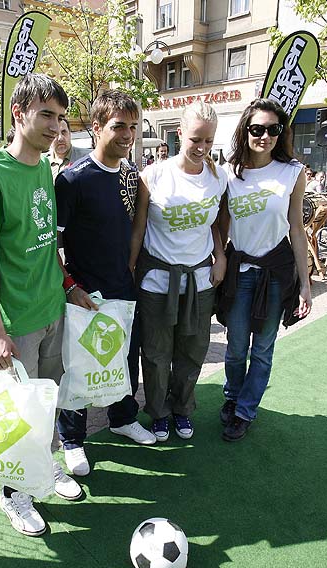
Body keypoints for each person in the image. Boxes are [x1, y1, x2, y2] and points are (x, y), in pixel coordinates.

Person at [0, 74, 88, 537]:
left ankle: (46, 466)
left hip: (52, 309)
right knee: (18, 413)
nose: (56, 126)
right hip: (17, 325)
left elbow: (45, 242)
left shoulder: (43, 170)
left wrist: (68, 285)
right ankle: (14, 495)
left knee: (47, 405)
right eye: (46, 115)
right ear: (19, 113)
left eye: (60, 117)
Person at [55, 90, 158, 474]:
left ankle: (122, 418)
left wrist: (129, 269)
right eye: (118, 126)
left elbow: (134, 229)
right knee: (79, 368)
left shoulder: (132, 176)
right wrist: (71, 286)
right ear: (96, 127)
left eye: (133, 126)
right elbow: (54, 243)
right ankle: (72, 440)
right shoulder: (71, 180)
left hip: (122, 288)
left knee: (124, 359)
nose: (127, 134)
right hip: (84, 293)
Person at [214, 98, 312, 442]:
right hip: (240, 272)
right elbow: (221, 225)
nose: (265, 136)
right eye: (258, 129)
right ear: (246, 130)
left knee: (263, 348)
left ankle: (245, 410)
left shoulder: (292, 172)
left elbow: (297, 228)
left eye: (273, 129)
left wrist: (305, 284)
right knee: (236, 345)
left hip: (276, 272)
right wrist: (219, 259)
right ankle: (232, 395)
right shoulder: (229, 173)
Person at [130, 100, 227, 442]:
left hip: (200, 281)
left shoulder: (219, 176)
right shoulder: (154, 174)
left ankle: (183, 408)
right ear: (180, 134)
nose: (201, 148)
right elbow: (139, 229)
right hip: (157, 280)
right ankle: (158, 412)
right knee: (156, 353)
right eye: (195, 139)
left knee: (193, 349)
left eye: (208, 141)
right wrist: (130, 270)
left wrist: (221, 255)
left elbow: (217, 222)